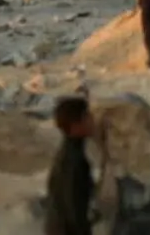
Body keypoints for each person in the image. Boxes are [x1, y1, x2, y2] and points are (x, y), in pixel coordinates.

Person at [46, 96, 96, 235]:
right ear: (75, 125)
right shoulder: (73, 161)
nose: (92, 120)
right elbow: (74, 210)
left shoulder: (69, 153)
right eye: (87, 116)